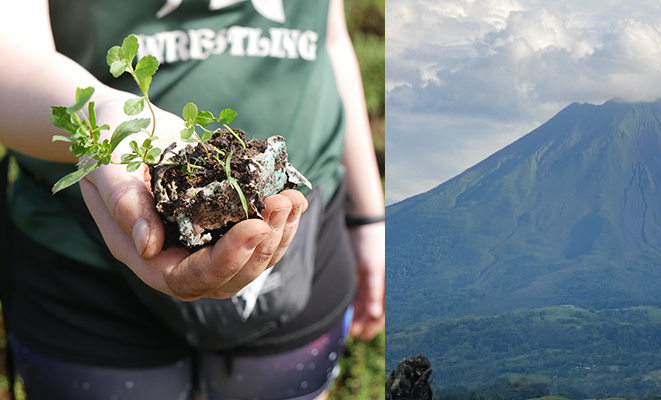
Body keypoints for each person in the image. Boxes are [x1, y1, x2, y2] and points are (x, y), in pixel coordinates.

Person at [0, 0, 384, 398]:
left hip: (303, 233)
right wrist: (109, 116)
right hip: (87, 255)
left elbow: (329, 36)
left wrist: (369, 215)